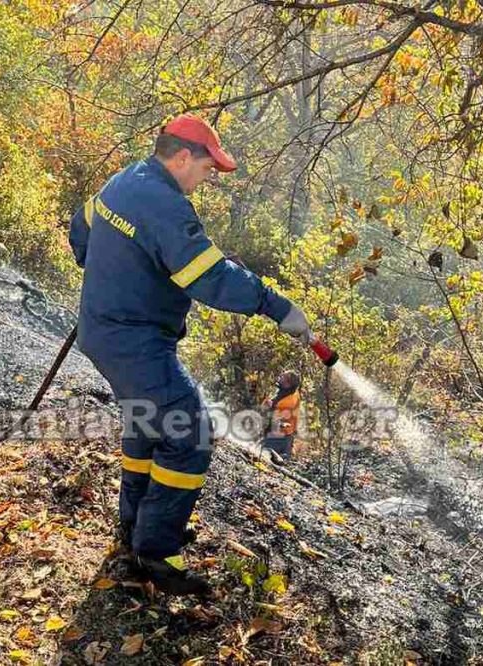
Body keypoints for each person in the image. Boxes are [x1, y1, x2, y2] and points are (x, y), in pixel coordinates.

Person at [68, 114, 313, 595]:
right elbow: (210, 278)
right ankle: (157, 555)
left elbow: (81, 231)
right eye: (206, 169)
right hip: (133, 339)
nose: (207, 180)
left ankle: (135, 526)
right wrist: (277, 306)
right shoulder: (167, 206)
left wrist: (107, 273)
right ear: (182, 157)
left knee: (146, 423)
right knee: (189, 429)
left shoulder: (124, 181)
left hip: (107, 331)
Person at [260, 370, 302, 461]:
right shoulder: (288, 392)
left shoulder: (288, 402)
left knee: (261, 453)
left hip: (280, 437)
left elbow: (274, 420)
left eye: (283, 377)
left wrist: (270, 407)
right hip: (279, 435)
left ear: (288, 383)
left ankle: (282, 454)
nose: (280, 377)